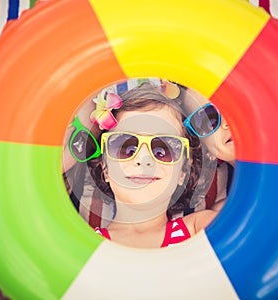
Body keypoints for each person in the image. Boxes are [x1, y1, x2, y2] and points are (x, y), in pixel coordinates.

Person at [64, 82, 218, 248]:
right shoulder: (81, 244)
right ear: (105, 168)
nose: (144, 159)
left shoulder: (199, 229)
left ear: (183, 171)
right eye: (126, 147)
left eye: (163, 149)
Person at [181, 87, 235, 213]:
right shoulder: (224, 213)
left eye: (232, 108)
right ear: (203, 147)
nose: (226, 123)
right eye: (208, 119)